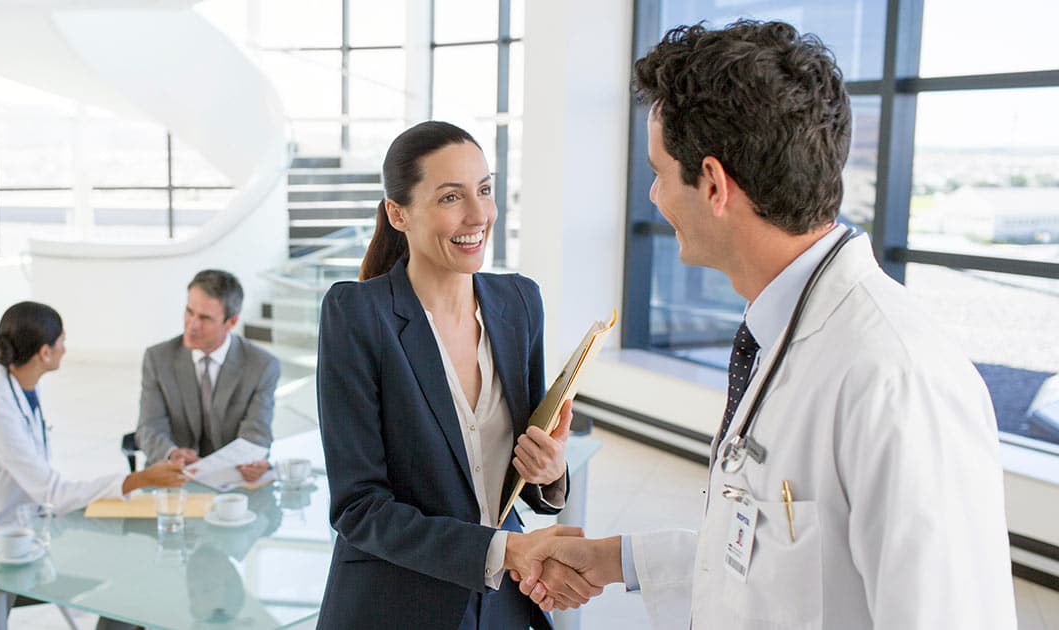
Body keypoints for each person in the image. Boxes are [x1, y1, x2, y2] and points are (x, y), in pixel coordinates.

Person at [516, 20, 1017, 630]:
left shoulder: (896, 377)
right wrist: (613, 559)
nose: (653, 197)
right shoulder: (782, 329)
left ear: (715, 184)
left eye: (660, 173)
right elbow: (765, 555)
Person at [315, 121, 601, 629]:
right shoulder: (358, 314)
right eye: (451, 197)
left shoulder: (519, 302)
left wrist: (551, 471)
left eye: (485, 190)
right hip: (395, 605)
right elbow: (359, 508)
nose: (479, 215)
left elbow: (518, 471)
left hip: (502, 607)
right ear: (398, 214)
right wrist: (503, 551)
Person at [0, 301, 187, 546]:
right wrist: (141, 478)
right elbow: (53, 494)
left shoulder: (22, 388)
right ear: (44, 353)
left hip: (31, 526)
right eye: (62, 341)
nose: (65, 350)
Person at [136, 269, 279, 482]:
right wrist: (171, 453)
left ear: (231, 322)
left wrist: (252, 460)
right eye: (189, 311)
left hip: (230, 478)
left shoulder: (262, 366)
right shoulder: (158, 358)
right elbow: (149, 427)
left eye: (205, 318)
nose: (192, 325)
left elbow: (257, 432)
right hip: (174, 478)